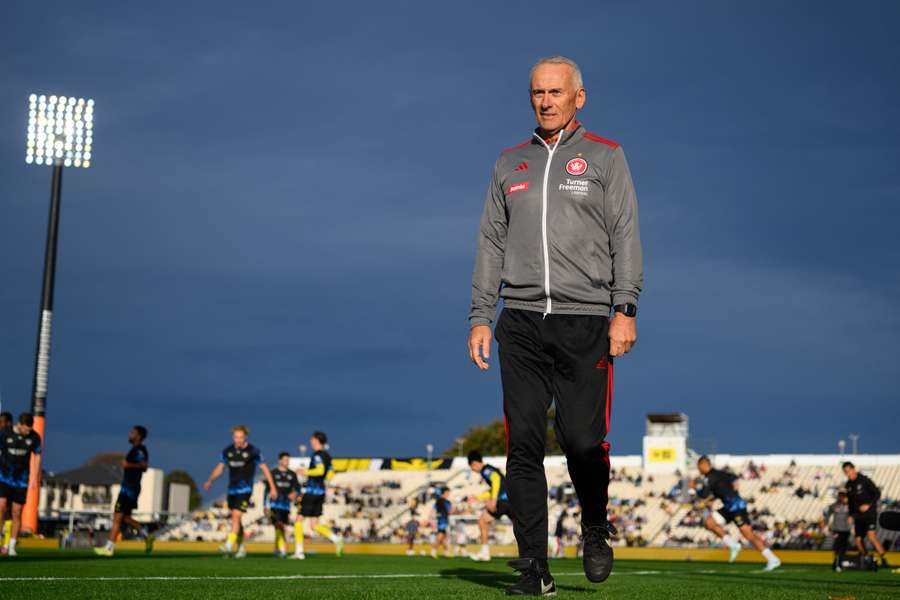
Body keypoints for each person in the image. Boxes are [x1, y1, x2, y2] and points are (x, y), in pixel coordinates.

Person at [468, 54, 643, 595]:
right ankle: (534, 566)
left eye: (555, 92)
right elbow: (491, 243)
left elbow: (626, 236)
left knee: (582, 442)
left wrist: (624, 308)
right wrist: (481, 314)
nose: (545, 101)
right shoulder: (508, 163)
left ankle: (594, 526)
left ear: (578, 97)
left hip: (585, 320)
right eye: (537, 93)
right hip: (519, 323)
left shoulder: (606, 157)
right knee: (522, 442)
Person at [203, 425, 277, 558]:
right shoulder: (228, 451)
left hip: (246, 489)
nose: (238, 440)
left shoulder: (253, 451)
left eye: (240, 437)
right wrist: (210, 480)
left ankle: (228, 544)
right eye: (236, 437)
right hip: (232, 490)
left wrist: (272, 487)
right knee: (237, 520)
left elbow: (265, 469)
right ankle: (241, 547)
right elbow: (220, 468)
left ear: (245, 437)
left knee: (236, 516)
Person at [696, 456, 781, 571]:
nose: (698, 469)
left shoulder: (709, 477)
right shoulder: (718, 474)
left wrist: (695, 488)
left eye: (698, 466)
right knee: (709, 522)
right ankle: (733, 545)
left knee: (748, 535)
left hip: (736, 507)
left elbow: (704, 494)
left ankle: (772, 559)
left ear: (703, 465)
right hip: (728, 506)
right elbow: (733, 479)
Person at [94, 425, 154, 556]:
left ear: (138, 436)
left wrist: (129, 465)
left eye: (132, 432)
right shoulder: (135, 450)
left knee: (117, 517)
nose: (130, 434)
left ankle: (109, 548)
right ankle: (146, 534)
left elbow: (144, 466)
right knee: (124, 517)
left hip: (129, 489)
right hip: (130, 488)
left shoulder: (139, 449)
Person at [292, 431, 343, 559]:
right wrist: (327, 484)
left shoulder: (317, 455)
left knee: (298, 520)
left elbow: (320, 470)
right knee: (314, 525)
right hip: (320, 492)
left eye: (312, 439)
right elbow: (331, 472)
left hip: (312, 491)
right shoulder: (327, 456)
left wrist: (305, 471)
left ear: (316, 440)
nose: (310, 442)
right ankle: (336, 539)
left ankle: (299, 552)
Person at [0, 413, 42, 557]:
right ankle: (1, 540)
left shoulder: (34, 437)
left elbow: (37, 455)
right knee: (1, 507)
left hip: (21, 480)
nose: (27, 432)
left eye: (30, 430)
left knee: (17, 512)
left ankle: (12, 545)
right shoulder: (5, 433)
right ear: (19, 424)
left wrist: (35, 478)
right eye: (26, 429)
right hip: (4, 477)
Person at [467, 450, 512, 562]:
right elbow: (495, 487)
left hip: (503, 501)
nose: (473, 470)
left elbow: (496, 479)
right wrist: (478, 498)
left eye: (471, 468)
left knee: (482, 521)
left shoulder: (485, 470)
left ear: (474, 464)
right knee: (521, 527)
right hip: (511, 500)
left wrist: (493, 500)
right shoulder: (489, 469)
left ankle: (485, 552)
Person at [842, 461, 889, 567]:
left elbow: (877, 493)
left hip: (870, 514)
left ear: (853, 469)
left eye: (848, 471)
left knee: (871, 536)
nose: (847, 474)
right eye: (845, 472)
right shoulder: (848, 485)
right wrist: (850, 515)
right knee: (858, 540)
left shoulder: (864, 480)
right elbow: (850, 502)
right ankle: (866, 559)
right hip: (858, 516)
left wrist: (868, 505)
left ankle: (884, 559)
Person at [269, 451, 300, 558]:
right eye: (285, 459)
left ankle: (277, 549)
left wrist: (294, 493)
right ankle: (282, 550)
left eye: (288, 460)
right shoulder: (273, 473)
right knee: (278, 525)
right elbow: (266, 490)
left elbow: (298, 489)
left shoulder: (292, 474)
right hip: (274, 505)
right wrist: (265, 505)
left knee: (281, 527)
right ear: (280, 461)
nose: (287, 462)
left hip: (286, 505)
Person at [822, 490, 852, 571]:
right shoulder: (834, 506)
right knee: (837, 547)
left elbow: (854, 515)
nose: (842, 498)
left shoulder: (850, 506)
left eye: (844, 497)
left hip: (846, 530)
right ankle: (836, 563)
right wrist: (825, 523)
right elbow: (827, 515)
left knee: (843, 547)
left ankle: (840, 562)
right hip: (837, 530)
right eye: (841, 496)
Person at [0, 412, 12, 552]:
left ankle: (7, 544)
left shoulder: (12, 438)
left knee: (7, 510)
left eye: (2, 422)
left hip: (8, 478)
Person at [431, 487, 452, 559]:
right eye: (448, 492)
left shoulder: (439, 501)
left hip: (442, 520)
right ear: (445, 493)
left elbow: (433, 510)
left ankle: (446, 552)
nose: (448, 494)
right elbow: (449, 511)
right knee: (440, 536)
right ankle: (434, 551)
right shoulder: (445, 502)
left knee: (444, 537)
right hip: (443, 520)